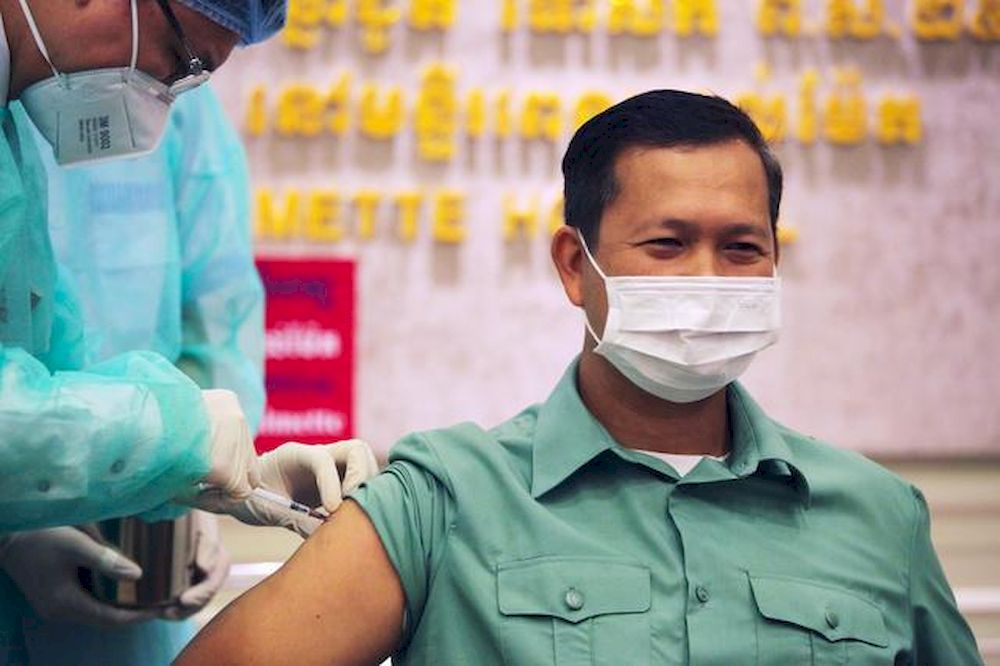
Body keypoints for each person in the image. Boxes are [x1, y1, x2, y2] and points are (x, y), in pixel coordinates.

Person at [178, 90, 983, 665]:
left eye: (742, 247)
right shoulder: (445, 500)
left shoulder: (879, 518)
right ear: (576, 264)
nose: (709, 277)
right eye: (666, 245)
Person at [0, 83, 260, 665]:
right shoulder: (17, 101)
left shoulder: (172, 95)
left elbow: (219, 311)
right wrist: (10, 531)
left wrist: (194, 480)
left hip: (143, 548)